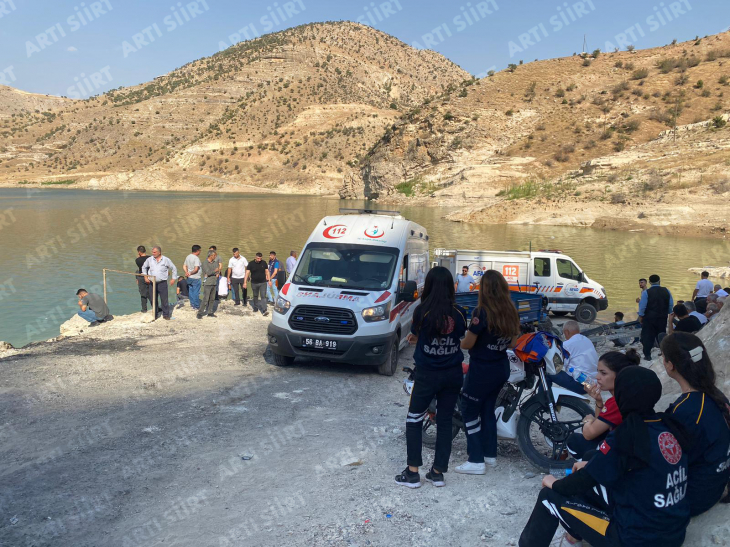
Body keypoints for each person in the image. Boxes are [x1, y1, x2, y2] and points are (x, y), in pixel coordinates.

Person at [519, 366, 691, 547]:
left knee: (549, 496)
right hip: (674, 532)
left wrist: (552, 482)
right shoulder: (667, 426)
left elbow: (578, 483)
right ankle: (574, 535)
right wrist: (589, 465)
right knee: (591, 463)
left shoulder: (625, 435)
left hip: (634, 539)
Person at [395, 267, 468, 489]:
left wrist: (415, 338)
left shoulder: (422, 311)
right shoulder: (460, 312)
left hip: (428, 374)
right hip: (453, 373)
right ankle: (437, 473)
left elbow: (418, 335)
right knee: (445, 421)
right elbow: (459, 337)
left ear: (428, 286)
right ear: (449, 286)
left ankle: (413, 472)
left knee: (414, 419)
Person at [455, 270, 521, 475]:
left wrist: (459, 340)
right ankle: (489, 454)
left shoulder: (481, 312)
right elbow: (513, 342)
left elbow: (468, 344)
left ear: (484, 289)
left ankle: (475, 459)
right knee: (487, 409)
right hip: (501, 367)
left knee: (468, 409)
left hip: (482, 368)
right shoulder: (511, 310)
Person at [661, 333, 730, 517]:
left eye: (663, 357)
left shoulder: (687, 410)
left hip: (693, 497)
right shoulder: (714, 395)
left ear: (670, 365)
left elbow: (670, 463)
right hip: (713, 485)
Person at [566, 349, 640, 460]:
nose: (597, 377)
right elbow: (600, 424)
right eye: (598, 372)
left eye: (603, 373)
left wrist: (587, 421)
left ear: (619, 375)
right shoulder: (627, 394)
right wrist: (599, 401)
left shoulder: (617, 402)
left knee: (575, 440)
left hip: (621, 453)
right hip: (627, 445)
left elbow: (589, 434)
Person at [549, 320, 598, 395]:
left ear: (566, 332)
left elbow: (560, 365)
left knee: (548, 374)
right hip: (593, 383)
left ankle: (542, 400)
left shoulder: (567, 345)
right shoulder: (587, 340)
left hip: (582, 385)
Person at [638, 274, 673, 361]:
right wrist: (668, 312)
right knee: (661, 334)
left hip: (649, 318)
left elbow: (643, 306)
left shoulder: (647, 292)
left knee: (648, 336)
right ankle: (664, 353)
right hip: (662, 317)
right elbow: (670, 303)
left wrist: (641, 315)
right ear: (659, 281)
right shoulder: (666, 291)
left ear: (649, 282)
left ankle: (647, 355)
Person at [141, 246, 177, 320]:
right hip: (152, 283)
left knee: (164, 299)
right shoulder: (150, 259)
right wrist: (145, 277)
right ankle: (155, 314)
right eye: (152, 252)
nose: (153, 253)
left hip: (162, 282)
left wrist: (173, 278)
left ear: (159, 252)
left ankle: (166, 314)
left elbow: (174, 268)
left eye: (154, 252)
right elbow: (144, 267)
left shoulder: (166, 260)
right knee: (153, 298)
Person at [197, 250, 219, 319]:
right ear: (211, 256)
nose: (215, 257)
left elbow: (217, 271)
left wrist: (216, 273)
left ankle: (210, 312)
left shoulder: (215, 263)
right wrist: (214, 271)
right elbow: (208, 272)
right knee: (205, 299)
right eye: (214, 255)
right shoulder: (205, 263)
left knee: (212, 299)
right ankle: (200, 313)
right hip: (207, 283)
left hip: (214, 282)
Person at [184, 245, 202, 311]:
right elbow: (196, 269)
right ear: (197, 251)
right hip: (196, 277)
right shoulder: (196, 258)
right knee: (196, 292)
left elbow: (184, 265)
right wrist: (190, 273)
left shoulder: (188, 257)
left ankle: (192, 305)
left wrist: (187, 272)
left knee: (191, 291)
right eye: (200, 250)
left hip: (189, 278)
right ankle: (197, 306)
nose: (200, 252)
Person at [135, 246, 151, 313]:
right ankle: (155, 306)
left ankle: (144, 309)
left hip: (141, 277)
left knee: (143, 293)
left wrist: (138, 256)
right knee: (151, 292)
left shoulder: (137, 260)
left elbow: (139, 268)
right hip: (150, 276)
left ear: (139, 252)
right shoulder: (150, 258)